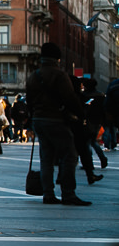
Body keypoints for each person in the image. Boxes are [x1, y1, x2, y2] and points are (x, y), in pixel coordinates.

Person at [26, 43, 90, 205]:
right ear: (57, 58)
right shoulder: (59, 75)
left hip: (39, 119)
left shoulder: (34, 75)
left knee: (46, 158)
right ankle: (68, 194)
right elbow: (69, 98)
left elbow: (29, 100)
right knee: (69, 155)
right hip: (56, 119)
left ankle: (48, 194)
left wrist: (32, 117)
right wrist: (81, 114)